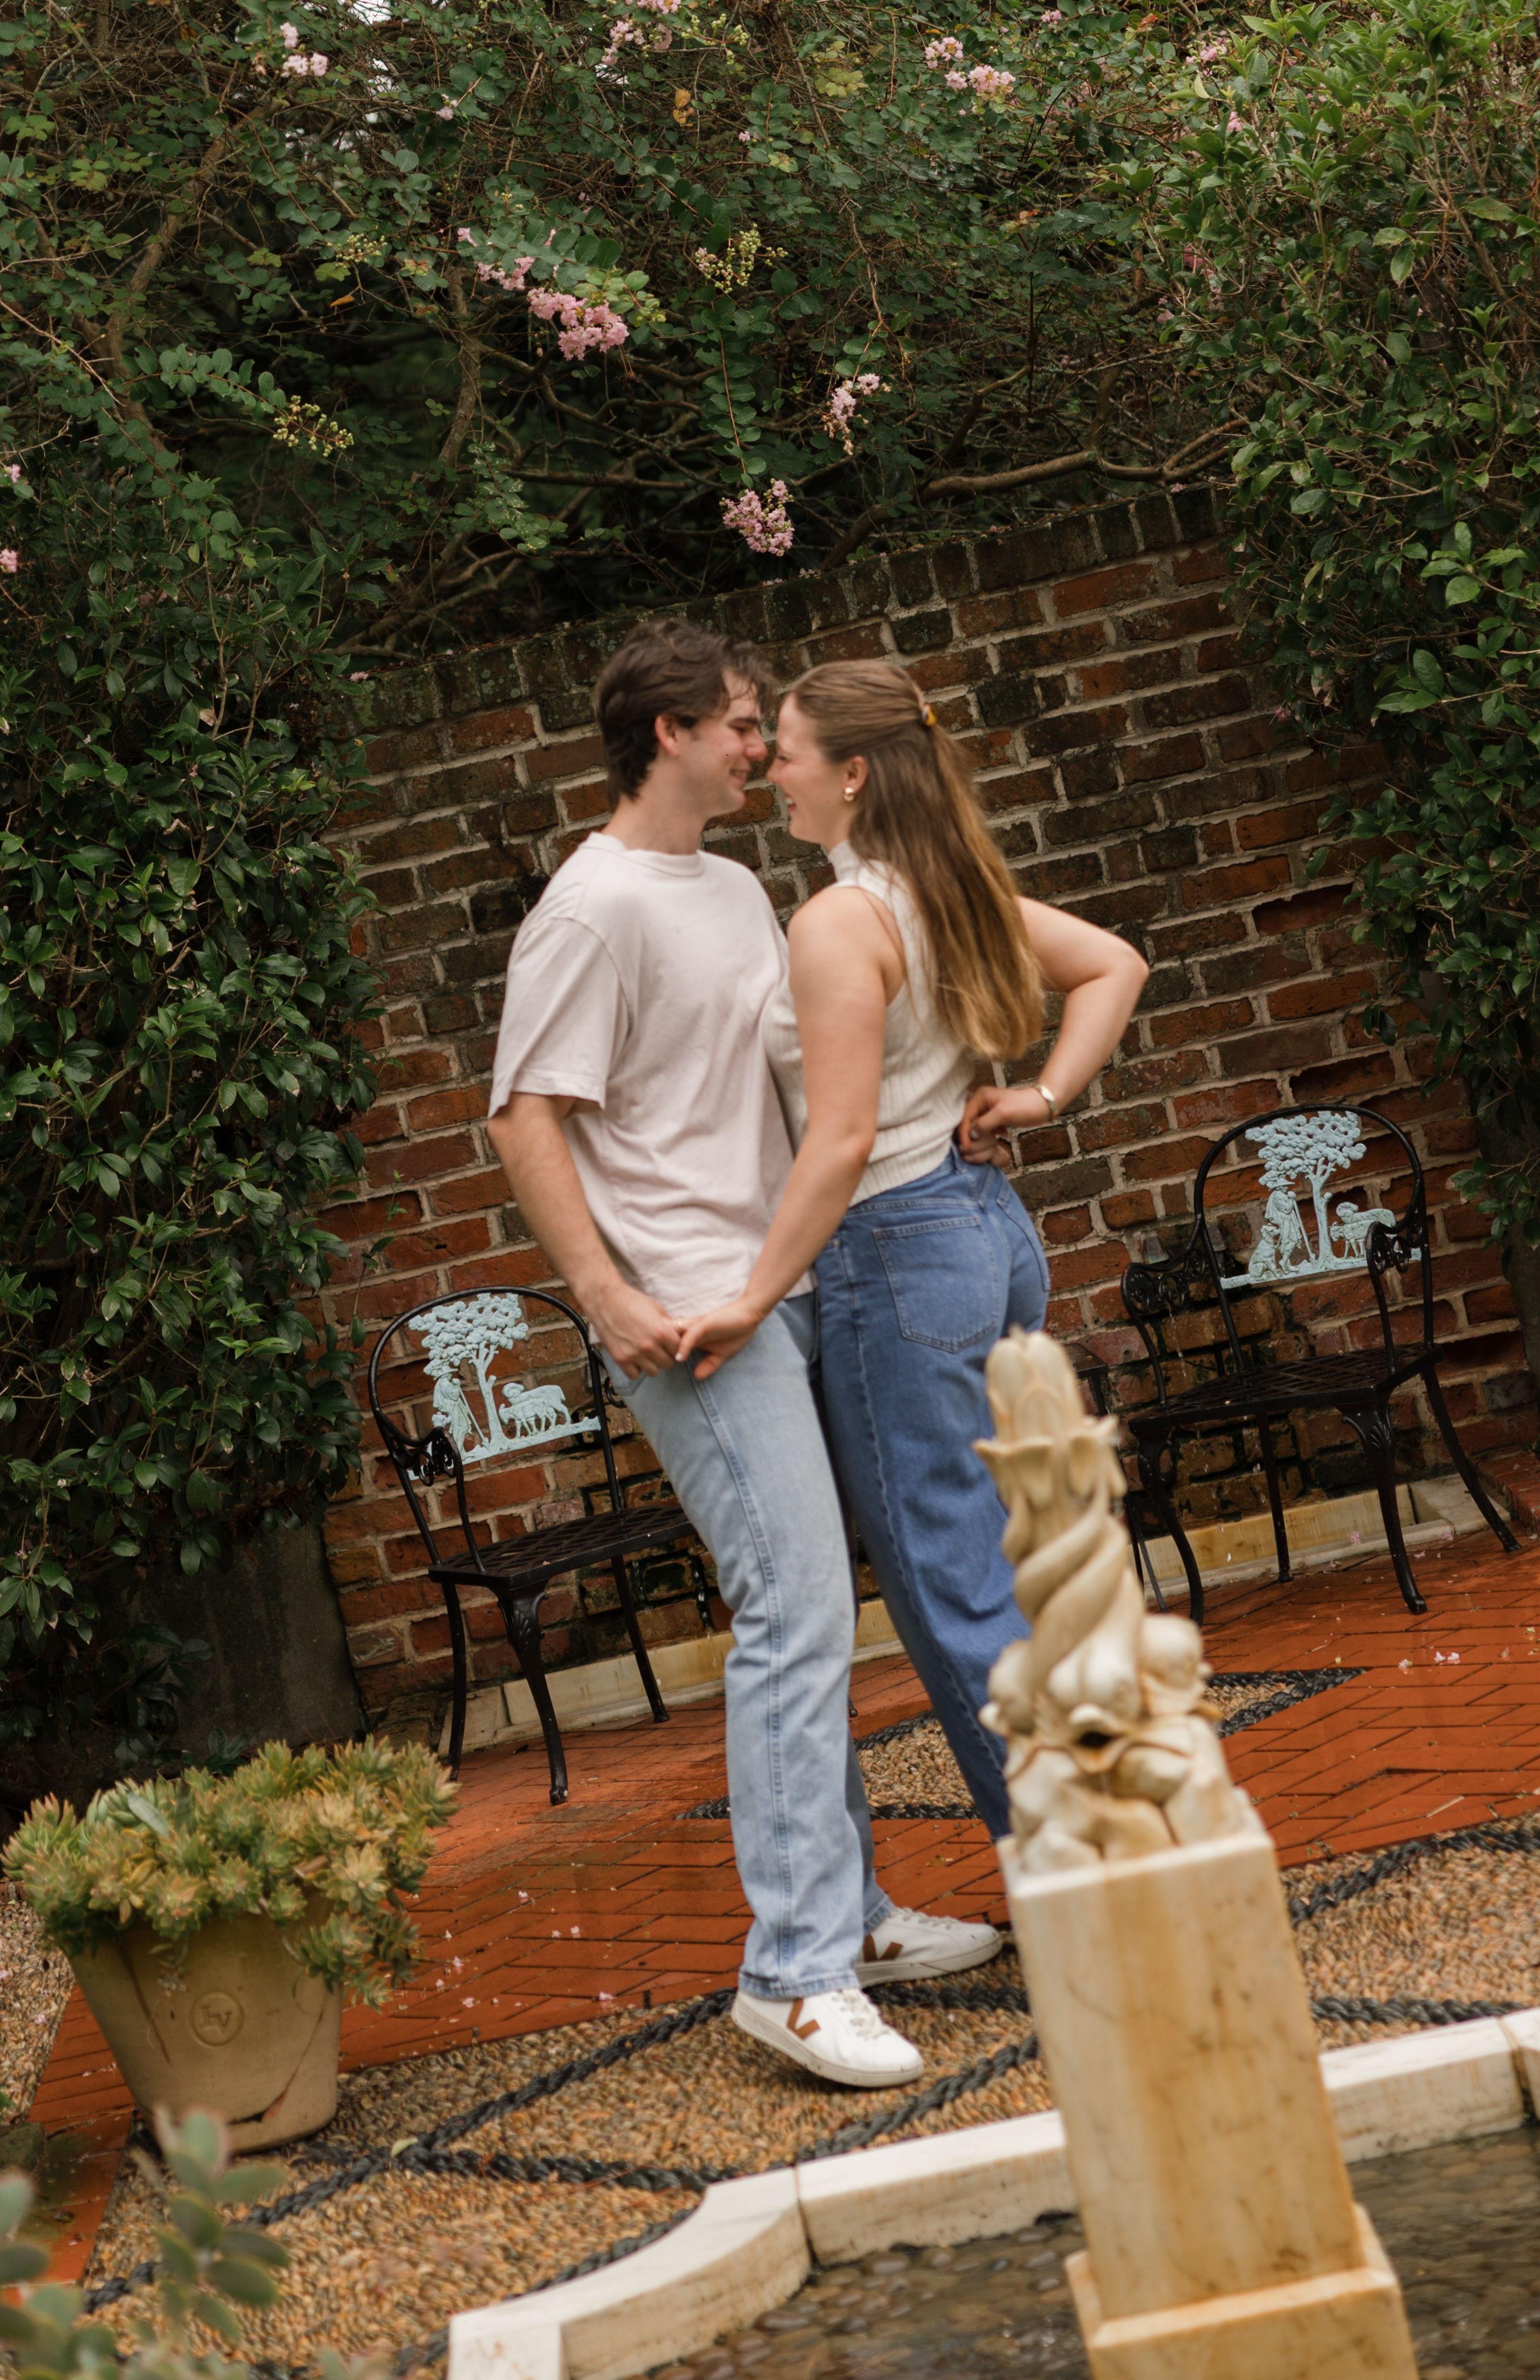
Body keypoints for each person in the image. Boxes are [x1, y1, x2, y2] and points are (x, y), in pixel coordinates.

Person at [482, 618, 1005, 2089]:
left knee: (816, 1606)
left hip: (782, 1285)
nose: (763, 746)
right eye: (739, 722)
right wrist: (604, 1295)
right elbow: (523, 1116)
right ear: (669, 735)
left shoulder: (727, 884)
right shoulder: (590, 910)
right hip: (691, 1313)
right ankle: (794, 1972)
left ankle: (853, 1915)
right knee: (795, 1607)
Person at [677, 657, 1150, 1841]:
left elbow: (840, 1141)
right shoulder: (944, 884)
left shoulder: (841, 920)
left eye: (788, 752)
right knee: (1027, 1555)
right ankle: (1119, 1821)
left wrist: (754, 1297)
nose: (771, 772)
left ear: (853, 773)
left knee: (954, 1584)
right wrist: (1040, 1096)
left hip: (896, 1251)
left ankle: (1075, 1863)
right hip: (984, 1230)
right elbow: (1115, 964)